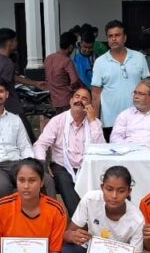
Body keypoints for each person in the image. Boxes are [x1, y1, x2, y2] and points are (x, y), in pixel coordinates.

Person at [33, 87, 106, 215]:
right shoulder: (58, 121)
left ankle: (90, 219)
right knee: (66, 184)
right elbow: (40, 144)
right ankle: (80, 220)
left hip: (86, 167)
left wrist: (93, 121)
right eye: (77, 97)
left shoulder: (95, 123)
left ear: (89, 105)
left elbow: (101, 149)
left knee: (97, 188)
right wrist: (42, 164)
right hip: (62, 167)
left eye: (84, 98)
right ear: (71, 100)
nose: (79, 100)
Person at [91, 20, 150, 140]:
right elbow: (96, 95)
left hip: (138, 118)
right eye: (110, 36)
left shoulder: (139, 57)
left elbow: (147, 87)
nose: (113, 39)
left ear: (125, 38)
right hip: (110, 120)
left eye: (117, 35)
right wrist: (95, 123)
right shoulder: (100, 62)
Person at [0, 28, 44, 141]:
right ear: (11, 42)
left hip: (0, 104)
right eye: (15, 41)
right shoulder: (8, 63)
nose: (17, 43)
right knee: (27, 136)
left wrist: (34, 83)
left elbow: (12, 77)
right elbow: (5, 83)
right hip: (11, 105)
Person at [44, 32, 82, 114]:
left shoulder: (48, 58)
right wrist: (70, 89)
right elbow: (75, 80)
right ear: (70, 47)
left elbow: (47, 78)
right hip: (66, 100)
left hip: (53, 100)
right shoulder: (67, 61)